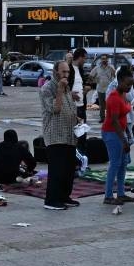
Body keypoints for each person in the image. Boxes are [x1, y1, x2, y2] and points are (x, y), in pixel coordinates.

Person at [39, 60, 79, 210]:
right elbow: (55, 109)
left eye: (68, 72)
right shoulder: (47, 89)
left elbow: (69, 107)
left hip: (69, 135)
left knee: (68, 169)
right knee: (57, 169)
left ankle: (64, 196)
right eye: (63, 72)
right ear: (55, 72)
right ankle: (51, 200)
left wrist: (77, 118)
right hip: (55, 135)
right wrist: (60, 90)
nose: (66, 75)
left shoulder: (67, 87)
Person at [102, 69, 134, 206]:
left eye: (131, 84)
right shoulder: (114, 97)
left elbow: (123, 117)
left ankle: (121, 193)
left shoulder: (123, 95)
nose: (129, 87)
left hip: (120, 132)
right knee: (115, 164)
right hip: (112, 133)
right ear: (120, 81)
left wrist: (128, 133)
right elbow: (114, 121)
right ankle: (108, 196)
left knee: (123, 164)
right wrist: (124, 140)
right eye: (128, 84)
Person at [89, 56, 115, 124]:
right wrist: (95, 80)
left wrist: (111, 67)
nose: (104, 60)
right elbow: (91, 75)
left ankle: (109, 118)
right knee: (101, 105)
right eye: (103, 59)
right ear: (101, 60)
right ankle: (102, 118)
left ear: (107, 60)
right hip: (100, 88)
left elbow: (115, 75)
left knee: (109, 104)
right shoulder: (97, 68)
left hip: (108, 89)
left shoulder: (110, 67)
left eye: (105, 59)